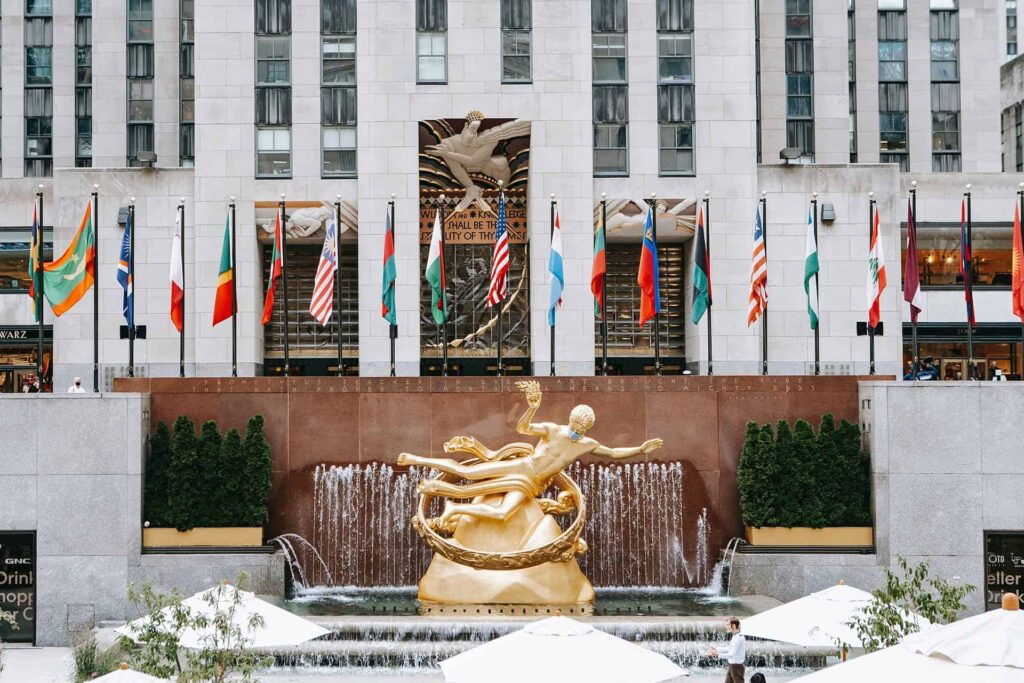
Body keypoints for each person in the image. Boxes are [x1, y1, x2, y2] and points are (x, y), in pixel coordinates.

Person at [708, 616, 746, 683]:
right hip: (732, 665)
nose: (727, 627)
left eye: (728, 625)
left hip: (736, 667)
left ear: (733, 625)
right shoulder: (735, 636)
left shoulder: (738, 638)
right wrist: (716, 649)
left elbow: (731, 654)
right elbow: (730, 648)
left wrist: (717, 654)